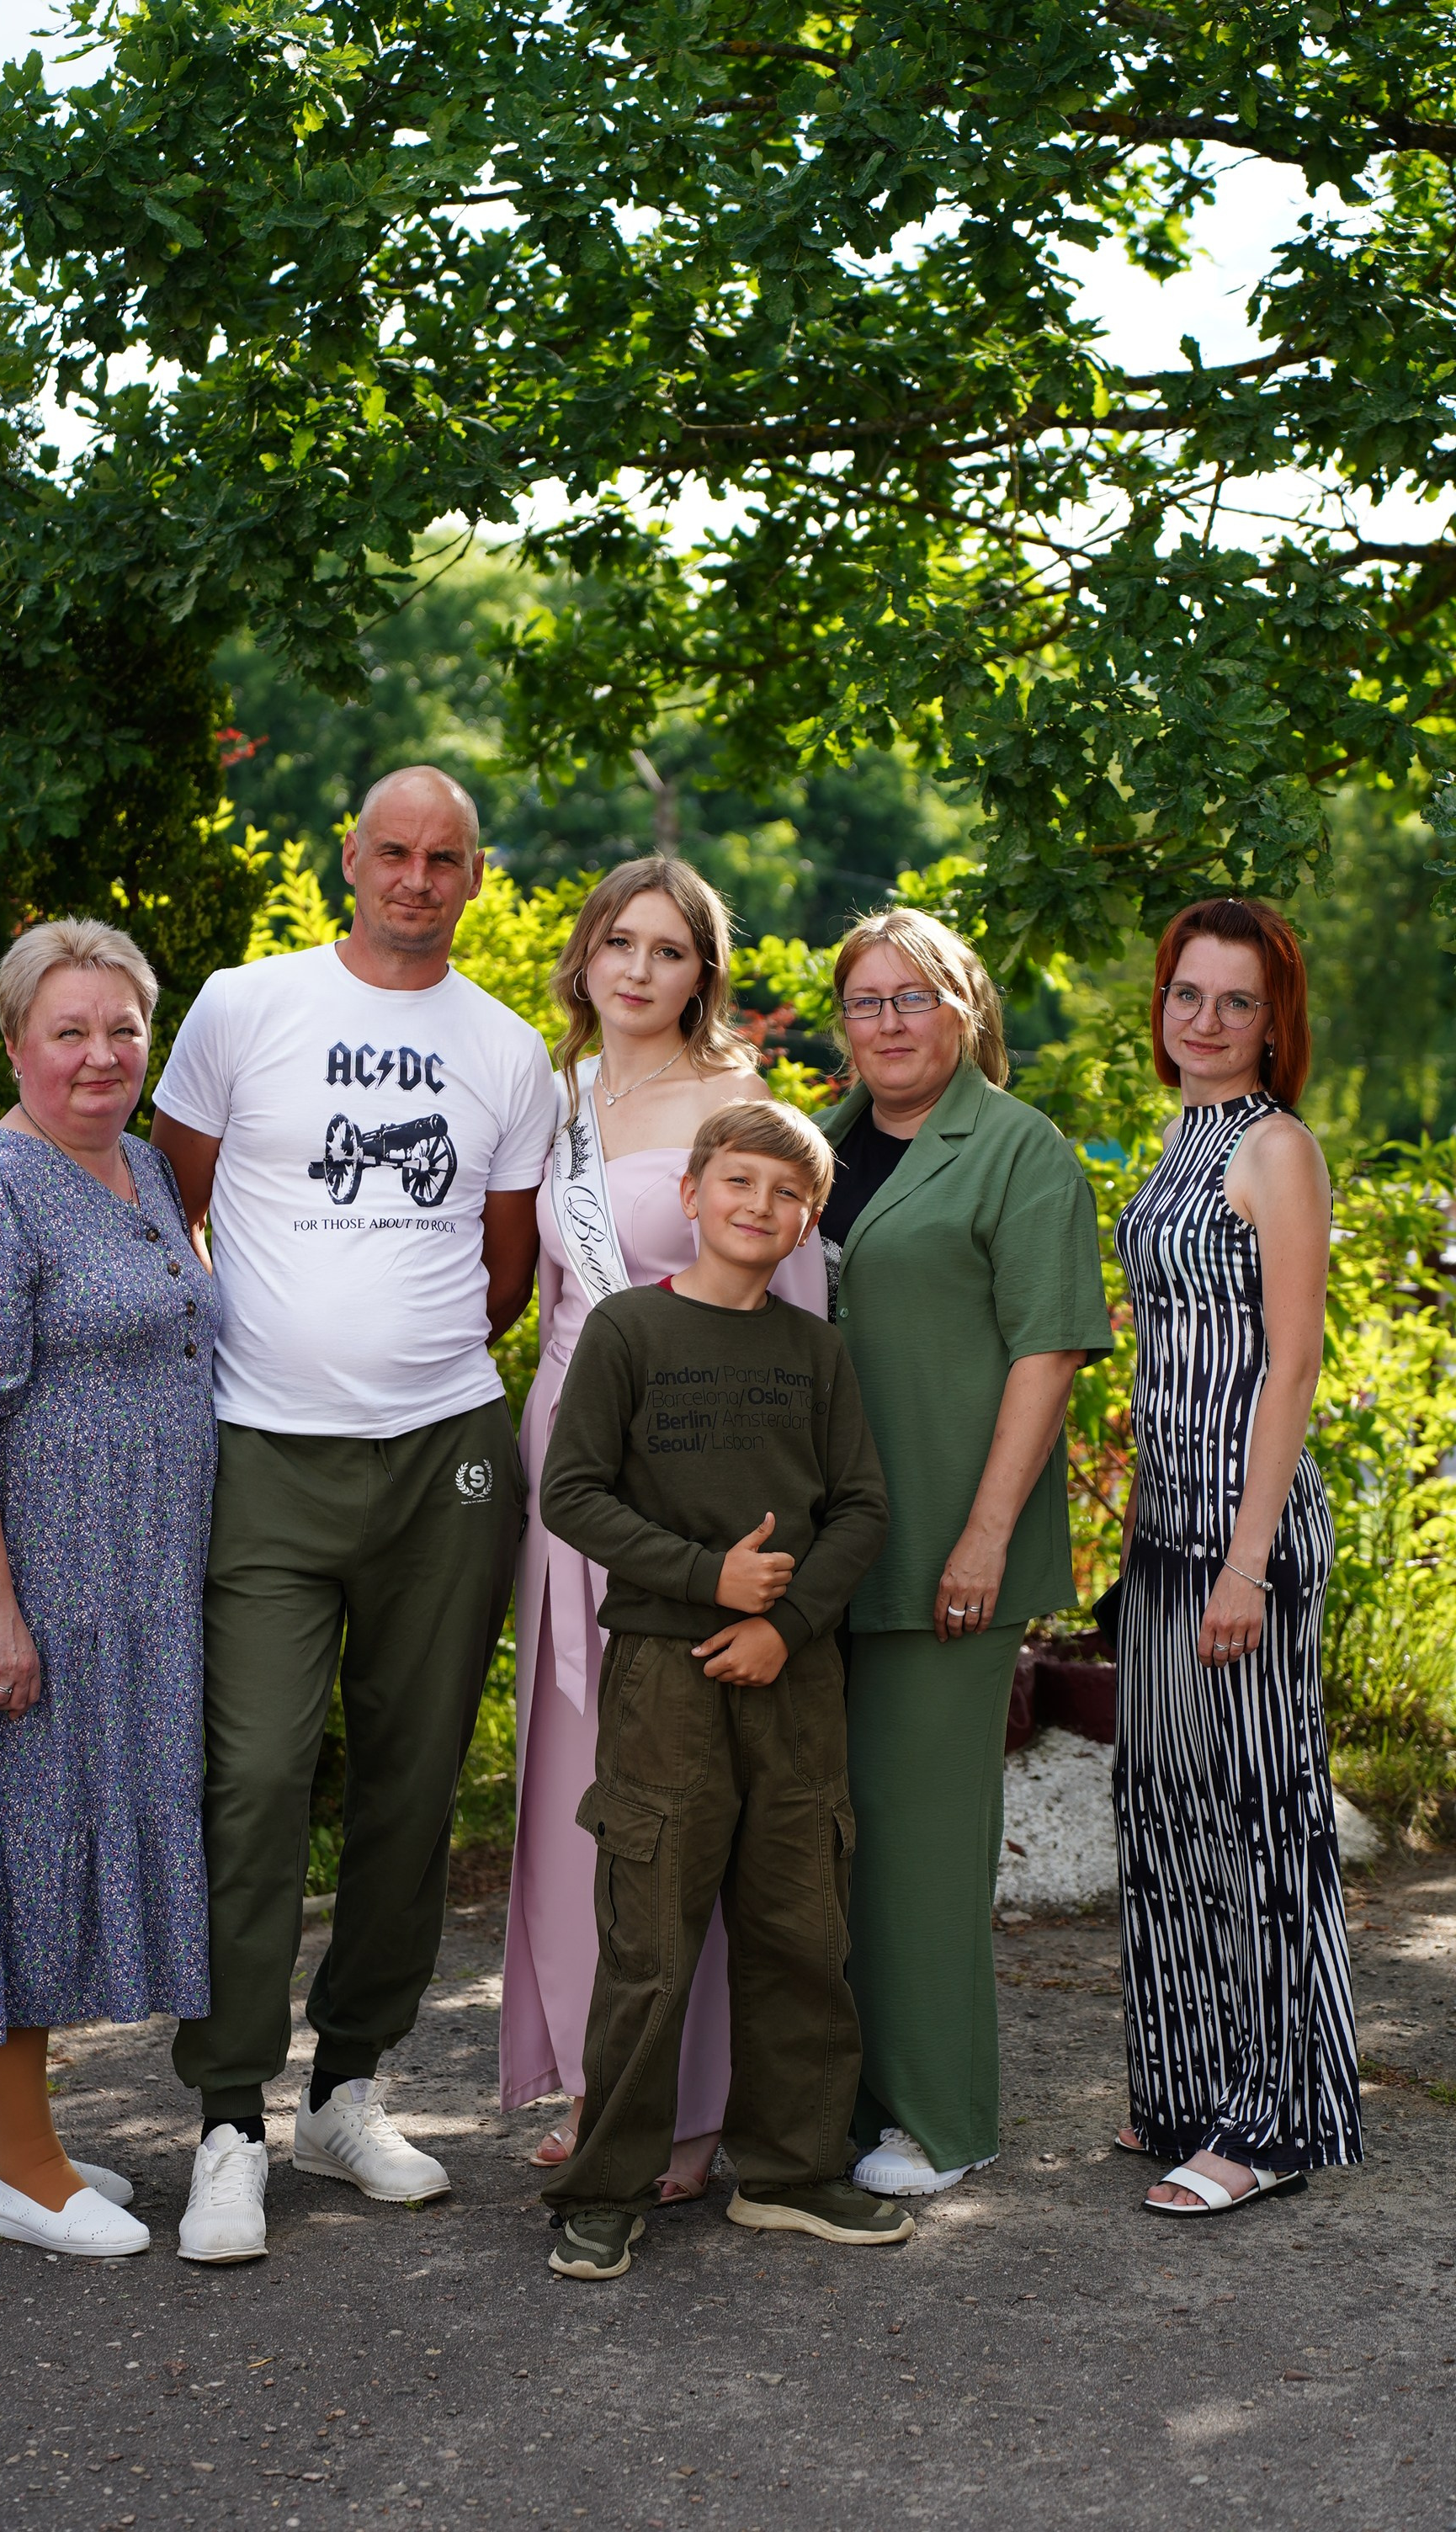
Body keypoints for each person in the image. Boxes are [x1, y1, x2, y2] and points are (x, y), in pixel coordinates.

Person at [151, 764, 555, 2263]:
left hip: (442, 1453)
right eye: (392, 850)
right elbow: (169, 1206)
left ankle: (350, 2087)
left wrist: (407, 1358)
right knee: (253, 1778)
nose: (415, 878)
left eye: (446, 857)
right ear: (350, 856)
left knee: (411, 1777)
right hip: (262, 1449)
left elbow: (506, 1271)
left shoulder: (511, 1053)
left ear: (473, 875)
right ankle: (227, 2119)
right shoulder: (241, 1008)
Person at [0, 918, 217, 2259]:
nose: (99, 1055)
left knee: (54, 1826)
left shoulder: (136, 1162)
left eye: (123, 1029)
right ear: (18, 1041)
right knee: (21, 1844)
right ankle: (30, 2167)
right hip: (31, 1583)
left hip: (129, 1581)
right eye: (69, 1031)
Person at [499, 858, 827, 2202]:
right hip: (563, 1470)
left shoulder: (740, 1107)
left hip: (685, 1482)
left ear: (705, 972)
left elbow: (787, 1326)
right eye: (617, 943)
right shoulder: (554, 1098)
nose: (638, 970)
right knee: (581, 1790)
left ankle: (692, 2113)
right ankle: (603, 2083)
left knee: (681, 1788)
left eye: (669, 949)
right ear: (585, 957)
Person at [537, 1101, 910, 2279]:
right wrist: (713, 1581)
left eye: (786, 1195)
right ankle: (606, 2188)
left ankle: (791, 2174)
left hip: (791, 1684)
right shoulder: (629, 1331)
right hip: (666, 1681)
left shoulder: (815, 1351)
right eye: (739, 1183)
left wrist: (787, 1624)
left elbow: (862, 1510)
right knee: (648, 1943)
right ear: (694, 1193)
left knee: (803, 1929)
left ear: (807, 1222)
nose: (760, 1208)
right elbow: (574, 1496)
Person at [821, 908, 1113, 2199]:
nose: (888, 1021)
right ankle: (846, 2099)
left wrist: (986, 1537)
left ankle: (944, 2121)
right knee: (828, 1840)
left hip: (947, 1540)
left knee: (922, 1841)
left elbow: (1047, 1351)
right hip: (823, 1553)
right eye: (866, 1002)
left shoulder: (1018, 1150)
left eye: (913, 998)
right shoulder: (818, 1151)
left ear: (965, 1008)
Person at [1113, 897, 1362, 2216]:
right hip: (1164, 1531)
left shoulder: (1276, 1150)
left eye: (1235, 1002)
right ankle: (1192, 2092)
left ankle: (1268, 2122)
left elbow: (1293, 1366)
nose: (1204, 1020)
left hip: (1239, 1537)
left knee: (1261, 1825)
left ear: (1276, 1026)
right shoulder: (1180, 1137)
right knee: (1166, 1816)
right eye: (1186, 994)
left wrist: (1246, 1559)